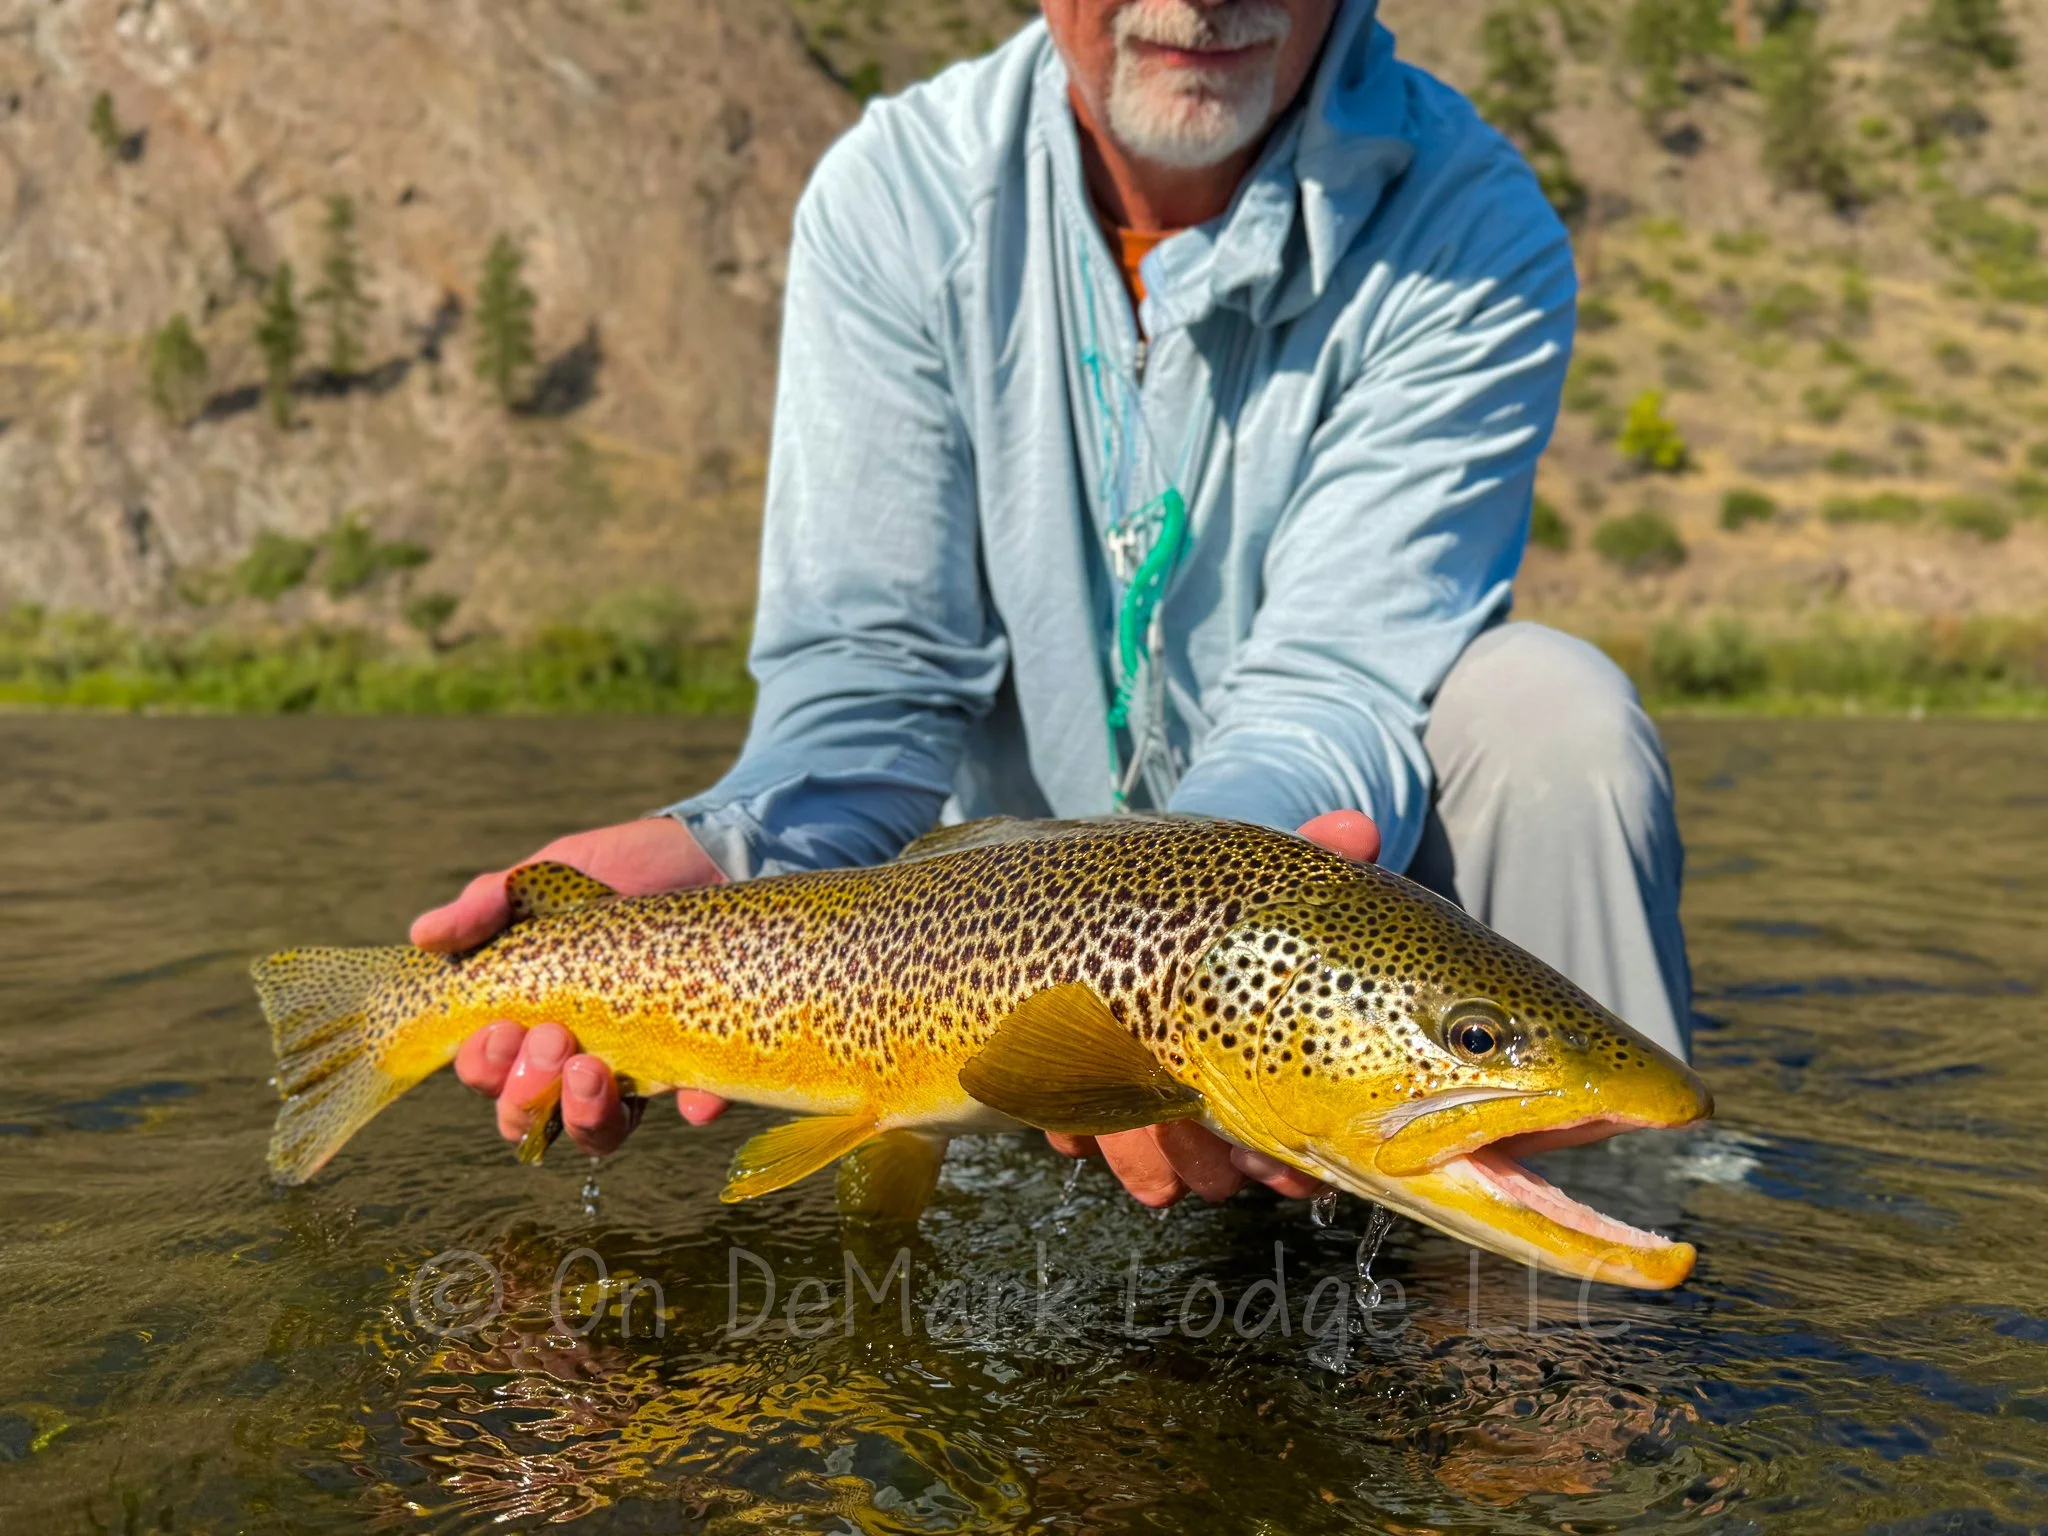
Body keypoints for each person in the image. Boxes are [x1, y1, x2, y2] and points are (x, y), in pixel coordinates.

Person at [412, 0, 1691, 1210]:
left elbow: (1333, 682)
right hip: (981, 941)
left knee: (1551, 715)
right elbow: (875, 677)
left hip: (1328, 902)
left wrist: (1184, 963)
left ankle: (1577, 1278)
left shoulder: (1468, 227)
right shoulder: (898, 197)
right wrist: (730, 843)